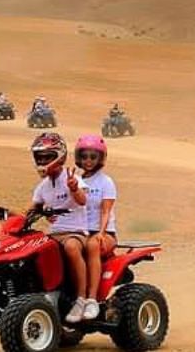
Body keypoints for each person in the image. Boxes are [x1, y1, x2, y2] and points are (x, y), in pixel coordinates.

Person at [27, 132, 90, 323]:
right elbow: (30, 210)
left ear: (60, 156)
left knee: (71, 248)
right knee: (33, 250)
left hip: (76, 232)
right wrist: (9, 216)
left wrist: (73, 188)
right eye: (40, 157)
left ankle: (81, 299)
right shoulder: (42, 187)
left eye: (48, 156)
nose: (43, 160)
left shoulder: (74, 179)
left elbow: (82, 200)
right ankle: (47, 292)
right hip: (53, 235)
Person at [75, 134, 117, 321]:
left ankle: (91, 299)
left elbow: (106, 211)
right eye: (84, 157)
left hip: (105, 232)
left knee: (92, 246)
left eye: (93, 157)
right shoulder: (75, 180)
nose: (88, 161)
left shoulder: (105, 182)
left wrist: (101, 232)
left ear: (100, 158)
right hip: (81, 231)